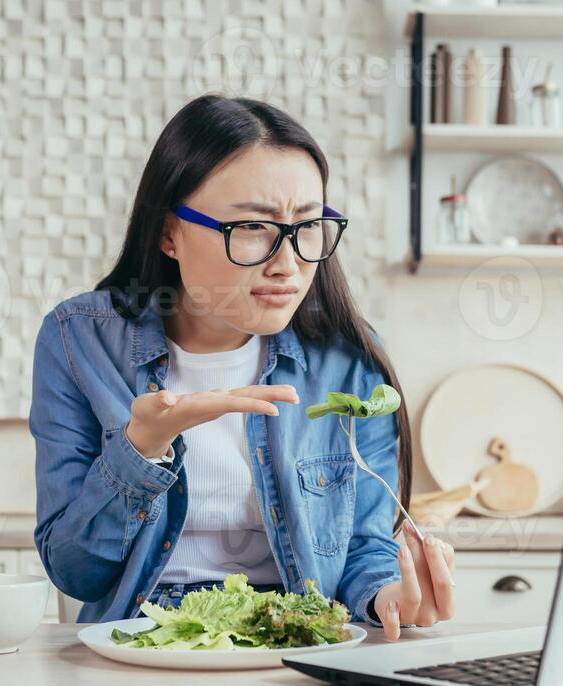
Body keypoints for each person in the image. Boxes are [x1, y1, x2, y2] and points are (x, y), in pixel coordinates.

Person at [30, 93, 455, 639]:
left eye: (306, 226)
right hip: (143, 642)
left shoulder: (348, 356)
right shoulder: (78, 340)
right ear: (169, 233)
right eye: (252, 228)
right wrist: (141, 448)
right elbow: (75, 572)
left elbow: (361, 550)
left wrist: (389, 596)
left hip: (296, 637)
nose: (288, 264)